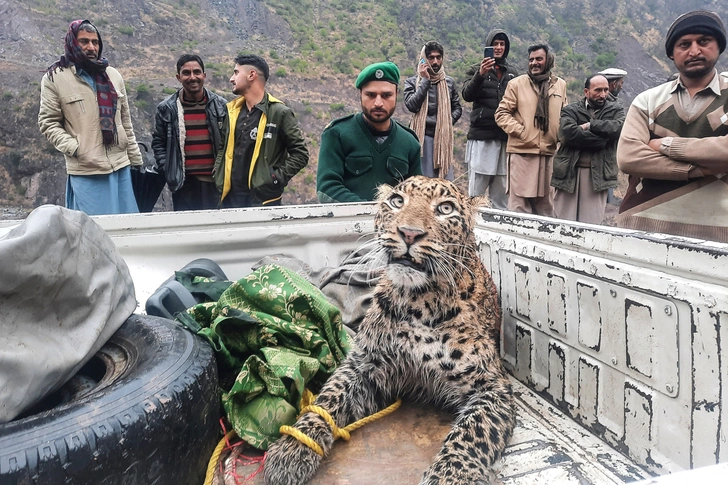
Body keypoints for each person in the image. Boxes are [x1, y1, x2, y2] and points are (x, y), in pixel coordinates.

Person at [617, 10, 728, 242]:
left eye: (704, 41)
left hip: (718, 232)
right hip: (645, 222)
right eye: (684, 44)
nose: (694, 51)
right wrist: (697, 169)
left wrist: (666, 145)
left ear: (719, 45)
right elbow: (628, 157)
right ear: (672, 54)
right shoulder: (648, 100)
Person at [38, 20, 142, 215]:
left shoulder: (113, 75)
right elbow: (48, 123)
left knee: (127, 230)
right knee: (92, 232)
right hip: (87, 170)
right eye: (84, 41)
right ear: (72, 42)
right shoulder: (55, 77)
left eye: (95, 42)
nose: (91, 47)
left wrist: (135, 160)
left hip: (121, 167)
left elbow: (125, 121)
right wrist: (77, 148)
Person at [317, 62, 422, 203]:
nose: (378, 103)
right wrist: (368, 212)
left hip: (393, 224)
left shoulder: (409, 142)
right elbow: (327, 189)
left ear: (396, 94)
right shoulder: (337, 134)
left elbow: (416, 195)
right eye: (371, 95)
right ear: (360, 94)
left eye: (386, 95)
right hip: (346, 222)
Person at [214, 54, 309, 207]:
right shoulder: (232, 111)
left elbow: (301, 154)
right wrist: (218, 174)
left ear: (252, 75)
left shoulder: (279, 112)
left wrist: (273, 179)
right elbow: (222, 148)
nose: (232, 78)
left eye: (236, 72)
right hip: (229, 200)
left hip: (263, 201)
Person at [495, 43, 567, 216]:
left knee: (546, 208)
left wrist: (560, 136)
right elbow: (501, 114)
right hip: (522, 153)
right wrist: (522, 132)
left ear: (548, 60)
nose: (534, 63)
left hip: (548, 154)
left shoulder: (560, 85)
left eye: (539, 59)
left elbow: (564, 114)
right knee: (519, 207)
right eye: (531, 59)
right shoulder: (516, 84)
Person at [152, 54, 228, 211]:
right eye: (186, 73)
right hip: (183, 185)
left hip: (215, 184)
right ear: (178, 77)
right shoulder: (167, 108)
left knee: (215, 231)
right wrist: (168, 169)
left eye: (197, 72)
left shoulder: (221, 106)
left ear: (204, 76)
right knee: (188, 231)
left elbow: (231, 142)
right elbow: (159, 142)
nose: (192, 77)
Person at [552, 75, 625, 224]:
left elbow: (619, 129)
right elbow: (566, 135)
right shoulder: (570, 110)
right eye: (598, 90)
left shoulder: (616, 110)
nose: (603, 94)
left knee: (590, 225)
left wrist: (590, 125)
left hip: (597, 176)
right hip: (568, 174)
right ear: (586, 91)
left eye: (605, 90)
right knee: (563, 224)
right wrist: (602, 138)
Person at [461, 29, 518, 208]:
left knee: (501, 188)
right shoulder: (475, 69)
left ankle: (499, 228)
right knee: (477, 188)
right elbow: (467, 95)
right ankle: (472, 225)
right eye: (495, 44)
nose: (499, 47)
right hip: (482, 136)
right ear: (488, 46)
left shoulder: (514, 73)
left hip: (505, 137)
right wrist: (480, 74)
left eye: (502, 44)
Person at [403, 41, 462, 180]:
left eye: (438, 57)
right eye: (431, 57)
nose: (435, 61)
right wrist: (425, 81)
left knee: (443, 183)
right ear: (423, 59)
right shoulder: (412, 82)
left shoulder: (449, 82)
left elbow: (457, 107)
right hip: (421, 139)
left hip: (443, 140)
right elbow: (412, 105)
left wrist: (446, 123)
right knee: (422, 182)